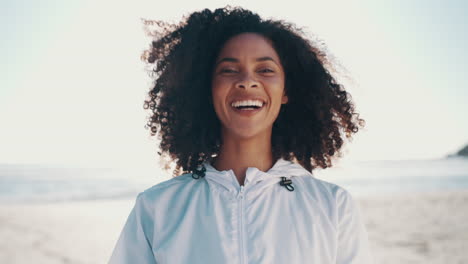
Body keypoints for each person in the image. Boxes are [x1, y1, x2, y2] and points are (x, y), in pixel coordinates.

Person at [109, 6, 374, 264]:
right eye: (229, 70)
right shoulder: (158, 208)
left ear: (285, 91)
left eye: (265, 70)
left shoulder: (332, 207)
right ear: (207, 88)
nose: (247, 80)